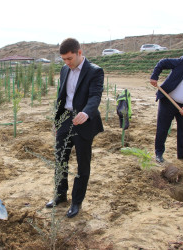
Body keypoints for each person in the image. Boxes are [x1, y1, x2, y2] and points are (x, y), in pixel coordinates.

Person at [45, 38, 104, 218]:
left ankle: (77, 201)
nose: (67, 63)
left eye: (70, 58)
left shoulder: (95, 71)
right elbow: (61, 97)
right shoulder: (64, 70)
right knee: (61, 158)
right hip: (66, 119)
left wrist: (86, 113)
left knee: (82, 164)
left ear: (80, 52)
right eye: (63, 59)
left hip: (84, 121)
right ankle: (60, 195)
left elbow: (95, 96)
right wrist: (58, 121)